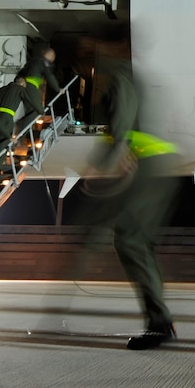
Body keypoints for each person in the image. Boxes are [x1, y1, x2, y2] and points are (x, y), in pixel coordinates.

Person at [81, 41, 181, 350]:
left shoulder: (121, 76)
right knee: (138, 244)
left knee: (129, 240)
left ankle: (159, 324)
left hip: (144, 167)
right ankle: (160, 321)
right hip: (153, 167)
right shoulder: (134, 76)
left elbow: (121, 122)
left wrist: (103, 163)